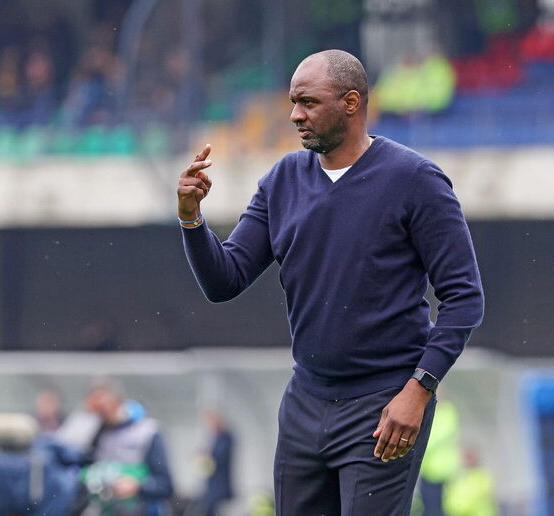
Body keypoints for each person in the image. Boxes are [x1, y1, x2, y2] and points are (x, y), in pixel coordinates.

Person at [177, 49, 484, 515]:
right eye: (293, 102)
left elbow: (464, 297)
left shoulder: (415, 179)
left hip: (384, 405)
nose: (295, 115)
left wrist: (418, 389)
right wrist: (191, 219)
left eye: (308, 102)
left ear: (351, 102)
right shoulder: (282, 180)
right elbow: (225, 281)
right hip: (305, 400)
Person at [79, 378, 173, 516]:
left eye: (102, 408)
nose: (98, 415)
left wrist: (137, 486)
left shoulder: (148, 431)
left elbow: (165, 485)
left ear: (116, 402)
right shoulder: (97, 432)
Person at [196, 410, 234, 516]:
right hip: (213, 487)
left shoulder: (226, 437)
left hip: (220, 486)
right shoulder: (215, 438)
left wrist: (206, 455)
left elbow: (219, 457)